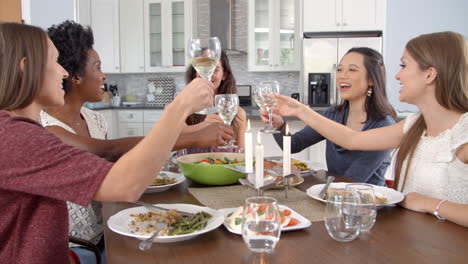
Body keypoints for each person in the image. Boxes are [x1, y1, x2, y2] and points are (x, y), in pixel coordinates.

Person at [0, 22, 214, 263]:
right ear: (26, 68)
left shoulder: (18, 132)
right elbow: (125, 184)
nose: (63, 73)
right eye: (54, 61)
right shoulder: (15, 138)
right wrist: (179, 108)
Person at [270, 31, 468, 227]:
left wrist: (427, 203)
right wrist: (298, 112)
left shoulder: (463, 133)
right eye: (339, 69)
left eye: (404, 65)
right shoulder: (414, 125)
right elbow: (352, 140)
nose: (397, 75)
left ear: (429, 74)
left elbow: (354, 168)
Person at [262, 47, 396, 185]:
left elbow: (353, 180)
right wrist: (280, 125)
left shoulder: (383, 125)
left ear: (371, 80)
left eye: (352, 69)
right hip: (335, 195)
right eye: (339, 69)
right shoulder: (333, 115)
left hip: (369, 201)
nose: (342, 75)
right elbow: (294, 145)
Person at [181, 50, 247, 154]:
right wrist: (200, 130)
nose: (207, 74)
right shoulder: (182, 109)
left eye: (214, 69)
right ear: (195, 73)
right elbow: (170, 144)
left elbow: (241, 155)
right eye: (202, 69)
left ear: (224, 75)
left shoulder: (238, 114)